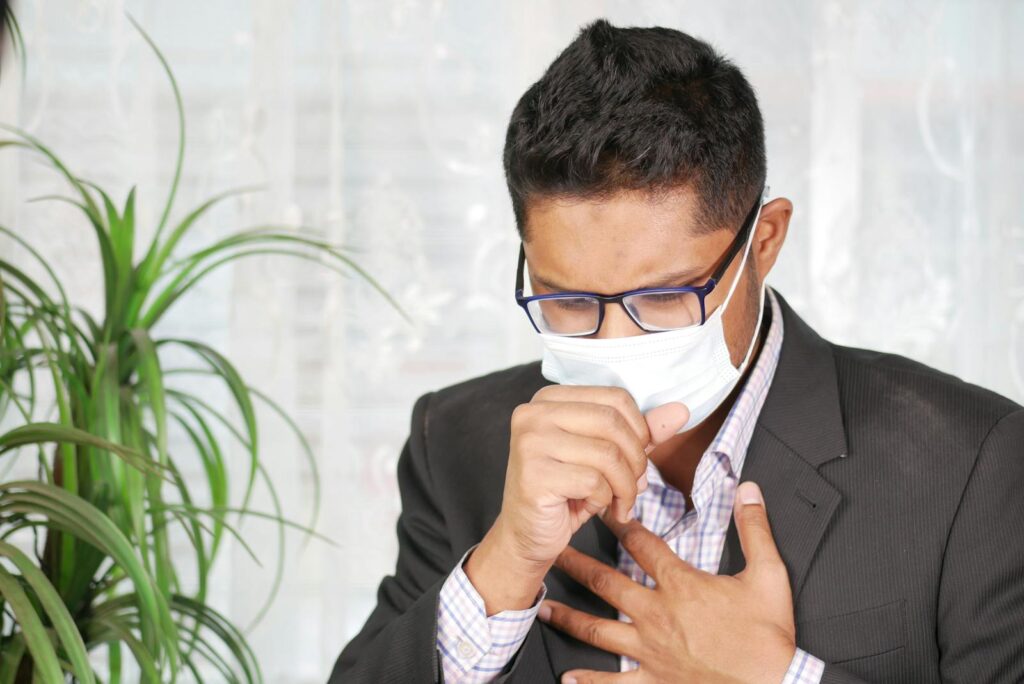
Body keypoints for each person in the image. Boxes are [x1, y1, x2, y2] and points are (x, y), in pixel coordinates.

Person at [329, 18, 1024, 684]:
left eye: (664, 299)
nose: (615, 345)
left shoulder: (972, 464)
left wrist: (778, 679)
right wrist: (504, 563)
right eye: (568, 303)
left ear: (765, 242)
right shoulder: (455, 441)